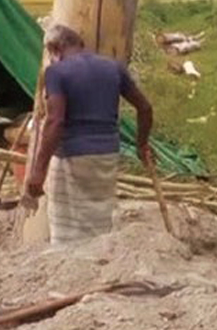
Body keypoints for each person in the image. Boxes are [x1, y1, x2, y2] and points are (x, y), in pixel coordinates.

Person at [25, 24, 154, 245]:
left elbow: (55, 121)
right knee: (99, 221)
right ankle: (99, 266)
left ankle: (74, 270)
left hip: (72, 157)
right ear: (80, 45)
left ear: (54, 49)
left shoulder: (56, 72)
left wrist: (38, 172)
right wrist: (141, 145)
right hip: (107, 155)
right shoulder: (114, 68)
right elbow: (145, 108)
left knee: (68, 229)